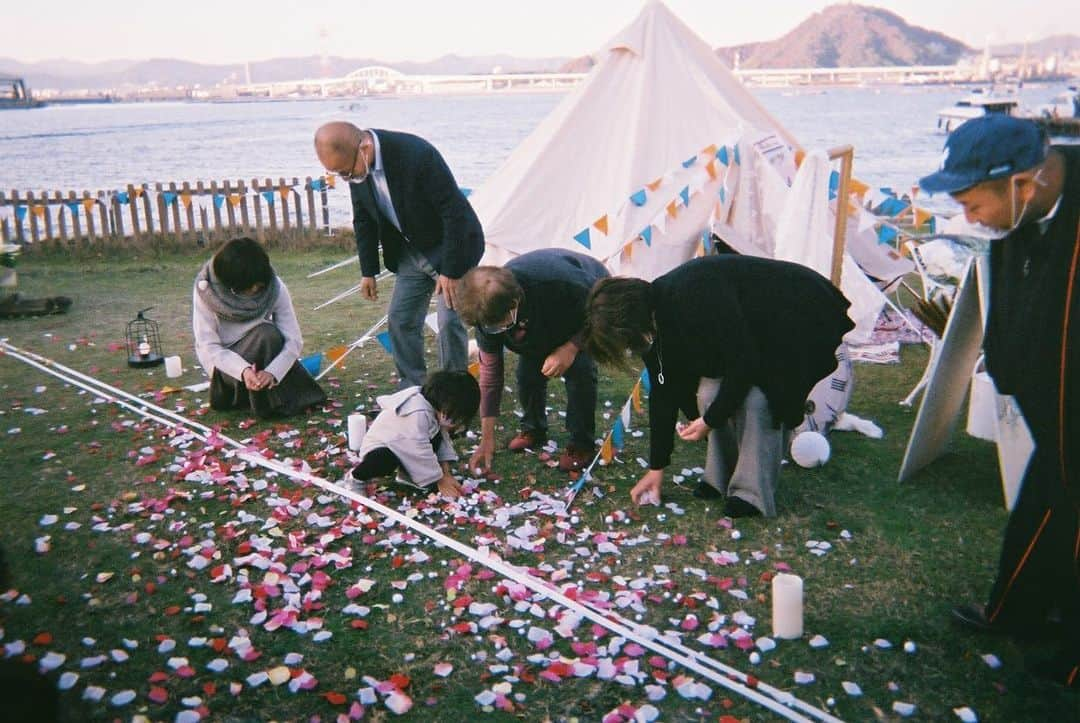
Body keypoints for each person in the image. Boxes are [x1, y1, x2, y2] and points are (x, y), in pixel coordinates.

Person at [919, 114, 1079, 689]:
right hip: (1047, 396)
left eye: (972, 204)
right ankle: (1018, 610)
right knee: (1042, 500)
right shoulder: (1021, 213)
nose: (968, 219)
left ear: (1022, 183)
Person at [583, 255, 853, 517]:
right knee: (711, 392)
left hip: (796, 313)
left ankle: (751, 493)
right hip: (752, 334)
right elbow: (663, 391)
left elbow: (744, 361)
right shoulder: (654, 324)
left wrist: (711, 420)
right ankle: (720, 476)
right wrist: (657, 468)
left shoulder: (695, 295)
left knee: (761, 399)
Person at [313, 121, 484, 388]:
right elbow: (363, 220)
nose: (347, 179)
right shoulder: (356, 167)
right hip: (409, 251)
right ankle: (412, 387)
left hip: (451, 246)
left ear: (365, 148)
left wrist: (451, 270)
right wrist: (368, 271)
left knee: (449, 322)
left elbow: (454, 213)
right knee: (400, 320)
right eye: (340, 174)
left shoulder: (416, 154)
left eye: (346, 172)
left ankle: (453, 392)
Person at [456, 249, 610, 473]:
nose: (498, 331)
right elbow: (491, 376)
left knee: (580, 372)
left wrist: (571, 347)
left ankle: (581, 442)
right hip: (533, 320)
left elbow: (601, 311)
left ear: (515, 302)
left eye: (502, 324)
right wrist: (486, 438)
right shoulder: (486, 314)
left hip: (582, 307)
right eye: (492, 327)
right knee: (527, 375)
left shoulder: (560, 282)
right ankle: (533, 428)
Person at [193, 236, 326, 418]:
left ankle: (266, 393)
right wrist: (243, 370)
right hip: (227, 368)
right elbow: (208, 347)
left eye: (259, 286)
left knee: (267, 333)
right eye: (252, 287)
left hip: (263, 356)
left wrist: (273, 372)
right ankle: (259, 401)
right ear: (233, 285)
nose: (257, 290)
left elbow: (293, 340)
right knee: (264, 335)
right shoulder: (207, 292)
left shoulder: (274, 287)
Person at [350, 370, 480, 499]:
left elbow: (442, 441)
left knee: (437, 437)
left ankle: (407, 475)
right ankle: (356, 478)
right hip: (382, 446)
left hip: (404, 445)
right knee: (384, 461)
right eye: (456, 418)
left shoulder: (434, 408)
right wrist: (439, 480)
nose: (457, 424)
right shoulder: (417, 414)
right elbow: (419, 451)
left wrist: (445, 474)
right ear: (445, 407)